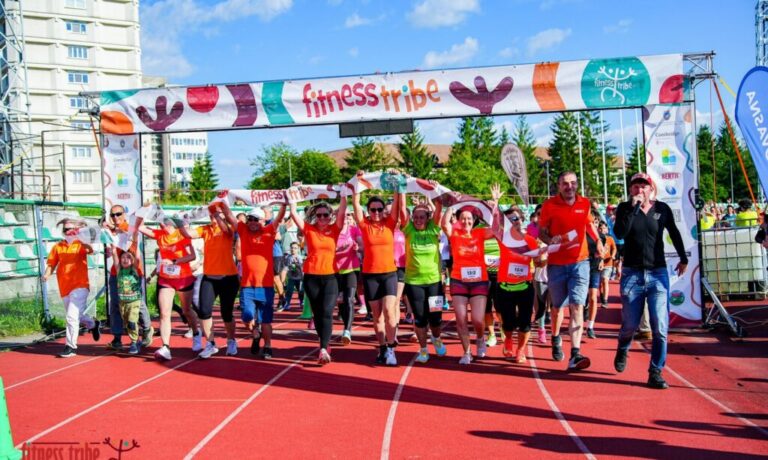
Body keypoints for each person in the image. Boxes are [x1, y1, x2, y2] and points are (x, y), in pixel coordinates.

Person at [613, 172, 688, 389]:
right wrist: (633, 208)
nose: (640, 190)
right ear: (631, 190)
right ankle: (623, 347)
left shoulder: (661, 209)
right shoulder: (625, 208)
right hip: (632, 274)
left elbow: (674, 232)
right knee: (630, 325)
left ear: (651, 189)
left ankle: (655, 371)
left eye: (644, 186)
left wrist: (683, 258)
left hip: (657, 273)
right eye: (636, 186)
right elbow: (620, 233)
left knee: (660, 326)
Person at [538, 171, 602, 371]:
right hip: (557, 264)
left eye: (573, 183)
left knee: (577, 306)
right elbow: (541, 232)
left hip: (580, 262)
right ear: (558, 186)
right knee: (557, 307)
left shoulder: (584, 203)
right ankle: (556, 337)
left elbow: (589, 224)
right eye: (565, 183)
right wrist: (551, 240)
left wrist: (598, 241)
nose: (569, 187)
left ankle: (575, 353)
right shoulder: (549, 205)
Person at [222, 201, 286, 360]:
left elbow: (279, 219)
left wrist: (284, 205)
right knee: (246, 316)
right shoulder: (243, 230)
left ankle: (268, 346)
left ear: (263, 221)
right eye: (250, 219)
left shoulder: (269, 231)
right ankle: (255, 334)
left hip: (266, 286)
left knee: (265, 320)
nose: (252, 222)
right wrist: (223, 202)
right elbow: (230, 216)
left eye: (256, 219)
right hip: (247, 285)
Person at [287, 194, 347, 365]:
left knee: (327, 312)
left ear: (330, 216)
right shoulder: (309, 229)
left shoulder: (335, 228)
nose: (322, 218)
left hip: (331, 276)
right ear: (315, 216)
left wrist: (344, 195)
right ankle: (324, 342)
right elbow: (293, 213)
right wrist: (293, 196)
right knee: (318, 313)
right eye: (319, 215)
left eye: (325, 215)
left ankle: (323, 348)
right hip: (311, 276)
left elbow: (342, 211)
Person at [351, 173, 402, 366]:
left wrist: (397, 184)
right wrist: (356, 183)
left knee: (389, 311)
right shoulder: (364, 225)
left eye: (380, 209)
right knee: (377, 316)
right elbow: (356, 204)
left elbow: (396, 204)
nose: (377, 212)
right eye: (373, 209)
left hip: (389, 273)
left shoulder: (390, 223)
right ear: (368, 210)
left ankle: (391, 348)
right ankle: (382, 348)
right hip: (370, 275)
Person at [179, 206, 240, 358]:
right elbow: (187, 234)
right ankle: (211, 343)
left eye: (217, 214)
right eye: (212, 214)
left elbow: (226, 231)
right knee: (204, 311)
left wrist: (217, 214)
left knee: (226, 313)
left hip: (228, 277)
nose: (213, 216)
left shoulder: (229, 228)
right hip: (209, 277)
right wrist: (179, 223)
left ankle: (231, 340)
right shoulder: (205, 229)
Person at [441, 202, 496, 365]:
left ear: (474, 220)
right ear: (458, 220)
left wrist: (494, 207)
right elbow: (444, 224)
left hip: (479, 281)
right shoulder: (454, 233)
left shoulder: (480, 233)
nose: (466, 221)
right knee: (461, 319)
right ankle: (466, 352)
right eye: (463, 219)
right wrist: (451, 205)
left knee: (478, 319)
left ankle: (480, 337)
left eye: (469, 218)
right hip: (459, 280)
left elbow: (496, 229)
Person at [398, 183, 447, 364]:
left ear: (428, 218)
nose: (418, 220)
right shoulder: (409, 229)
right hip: (414, 282)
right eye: (416, 217)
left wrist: (434, 189)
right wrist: (401, 186)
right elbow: (402, 209)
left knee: (435, 319)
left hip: (434, 281)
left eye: (422, 217)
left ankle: (437, 338)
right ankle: (424, 349)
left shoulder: (433, 228)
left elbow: (439, 206)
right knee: (420, 318)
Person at [138, 217, 199, 361]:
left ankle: (196, 333)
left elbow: (192, 256)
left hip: (183, 278)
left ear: (170, 225)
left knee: (186, 310)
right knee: (164, 313)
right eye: (158, 221)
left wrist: (173, 261)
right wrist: (142, 213)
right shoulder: (160, 235)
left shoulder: (182, 235)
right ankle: (166, 347)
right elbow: (140, 227)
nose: (159, 224)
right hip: (166, 279)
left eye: (162, 222)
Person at [489, 187, 539, 363]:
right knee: (508, 323)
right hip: (505, 288)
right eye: (510, 220)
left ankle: (521, 350)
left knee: (525, 323)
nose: (514, 222)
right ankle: (508, 339)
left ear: (522, 220)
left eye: (516, 219)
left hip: (525, 288)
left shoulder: (530, 241)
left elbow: (539, 262)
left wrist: (544, 255)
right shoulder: (503, 239)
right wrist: (495, 202)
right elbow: (494, 225)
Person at [43, 219, 100, 358]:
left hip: (80, 285)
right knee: (76, 316)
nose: (68, 231)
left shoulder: (80, 243)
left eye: (70, 229)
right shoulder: (58, 246)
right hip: (65, 287)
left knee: (71, 316)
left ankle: (71, 347)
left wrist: (81, 235)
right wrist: (46, 275)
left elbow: (90, 250)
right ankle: (93, 324)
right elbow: (51, 263)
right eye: (65, 229)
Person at [103, 205, 153, 350]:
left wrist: (114, 229)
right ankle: (117, 337)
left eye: (118, 214)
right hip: (117, 273)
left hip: (134, 273)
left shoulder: (127, 226)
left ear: (124, 215)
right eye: (112, 215)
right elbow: (111, 250)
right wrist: (108, 246)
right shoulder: (109, 231)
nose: (115, 217)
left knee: (138, 303)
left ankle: (147, 329)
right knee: (115, 305)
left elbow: (132, 233)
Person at [335, 211, 363, 333]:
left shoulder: (354, 230)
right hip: (336, 270)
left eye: (347, 215)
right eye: (342, 215)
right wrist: (339, 249)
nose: (345, 217)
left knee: (349, 299)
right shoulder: (333, 231)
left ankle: (347, 330)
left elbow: (362, 246)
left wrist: (357, 248)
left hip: (352, 268)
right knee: (340, 300)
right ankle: (344, 319)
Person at [115, 251, 143, 355]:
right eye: (123, 257)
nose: (125, 260)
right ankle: (138, 338)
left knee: (132, 321)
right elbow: (114, 254)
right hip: (123, 302)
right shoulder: (119, 270)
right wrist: (113, 247)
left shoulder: (134, 270)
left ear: (132, 260)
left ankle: (134, 343)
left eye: (128, 257)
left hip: (134, 301)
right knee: (127, 323)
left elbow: (137, 257)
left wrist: (136, 242)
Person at [280, 242, 304, 312]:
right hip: (291, 278)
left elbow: (302, 268)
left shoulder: (300, 257)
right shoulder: (288, 258)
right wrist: (283, 280)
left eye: (295, 248)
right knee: (289, 291)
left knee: (301, 291)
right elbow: (285, 268)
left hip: (300, 278)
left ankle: (302, 302)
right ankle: (287, 303)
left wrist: (303, 277)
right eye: (292, 248)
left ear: (298, 249)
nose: (293, 249)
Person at [598, 221, 616, 310]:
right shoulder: (596, 238)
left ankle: (605, 300)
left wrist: (612, 255)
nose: (602, 230)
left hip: (608, 263)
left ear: (607, 229)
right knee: (599, 283)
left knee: (605, 280)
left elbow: (614, 248)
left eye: (604, 228)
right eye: (600, 228)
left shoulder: (610, 239)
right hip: (598, 263)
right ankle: (602, 296)